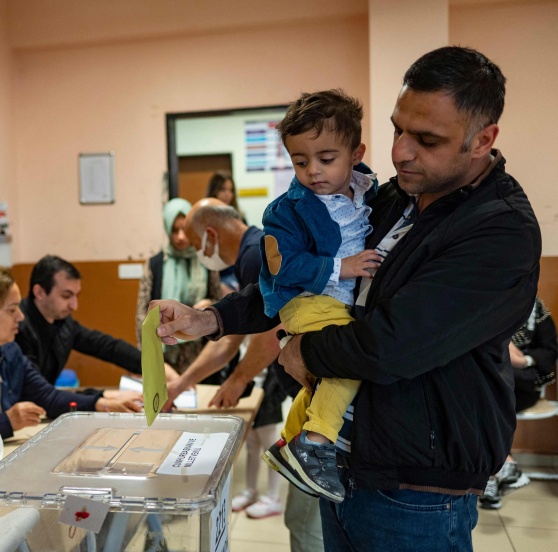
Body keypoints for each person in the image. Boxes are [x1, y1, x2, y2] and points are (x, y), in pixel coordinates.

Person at [151, 46, 540, 550]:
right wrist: (211, 319)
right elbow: (305, 281)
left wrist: (303, 351)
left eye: (426, 139)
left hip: (415, 489)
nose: (401, 152)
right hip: (345, 460)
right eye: (398, 130)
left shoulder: (498, 229)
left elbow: (391, 345)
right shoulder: (391, 196)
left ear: (482, 140)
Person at [166, 198, 324, 550]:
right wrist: (181, 385)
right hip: (309, 392)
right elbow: (231, 337)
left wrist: (238, 379)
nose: (199, 255)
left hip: (317, 395)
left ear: (211, 236)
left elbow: (270, 332)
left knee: (305, 521)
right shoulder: (252, 251)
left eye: (196, 246)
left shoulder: (254, 255)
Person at [258, 90, 381, 503]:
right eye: (300, 161)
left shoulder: (372, 192)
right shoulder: (286, 210)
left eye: (326, 159)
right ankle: (316, 441)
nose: (312, 171)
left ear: (356, 153)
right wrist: (341, 267)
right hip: (307, 300)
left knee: (325, 381)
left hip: (339, 303)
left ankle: (291, 440)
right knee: (350, 356)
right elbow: (283, 266)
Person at [0, 264, 141, 450]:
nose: (20, 317)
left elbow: (47, 397)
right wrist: (7, 422)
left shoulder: (9, 351)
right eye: (11, 310)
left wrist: (99, 403)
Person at [17, 255, 178, 390]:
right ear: (39, 292)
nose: (74, 305)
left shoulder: (62, 322)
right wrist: (101, 398)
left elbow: (104, 346)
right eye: (66, 296)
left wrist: (153, 365)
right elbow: (39, 393)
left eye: (76, 296)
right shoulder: (19, 328)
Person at [480, 296, 557, 509]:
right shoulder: (487, 306)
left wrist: (524, 361)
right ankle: (500, 471)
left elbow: (550, 349)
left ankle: (496, 473)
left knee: (489, 403)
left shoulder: (536, 309)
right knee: (488, 399)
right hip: (491, 383)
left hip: (523, 386)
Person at [135, 198, 221, 373]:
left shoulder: (206, 261)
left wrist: (209, 305)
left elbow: (220, 302)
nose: (180, 237)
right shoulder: (156, 264)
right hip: (164, 352)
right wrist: (146, 352)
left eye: (185, 229)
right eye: (175, 230)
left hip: (200, 353)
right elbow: (142, 312)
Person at [206, 170, 245, 293]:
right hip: (215, 277)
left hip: (238, 272)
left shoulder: (239, 218)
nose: (228, 194)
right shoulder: (205, 220)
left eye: (231, 190)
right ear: (214, 191)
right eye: (223, 189)